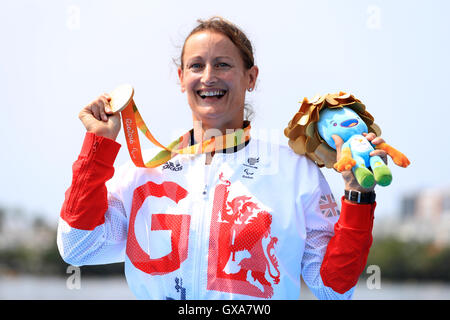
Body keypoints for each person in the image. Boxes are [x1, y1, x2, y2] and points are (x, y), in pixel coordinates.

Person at [57, 16, 387, 300]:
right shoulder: (143, 172)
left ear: (251, 77)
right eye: (196, 65)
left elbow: (332, 289)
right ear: (181, 78)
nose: (208, 76)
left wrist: (358, 196)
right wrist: (98, 145)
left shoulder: (295, 171)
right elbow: (78, 246)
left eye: (223, 65)